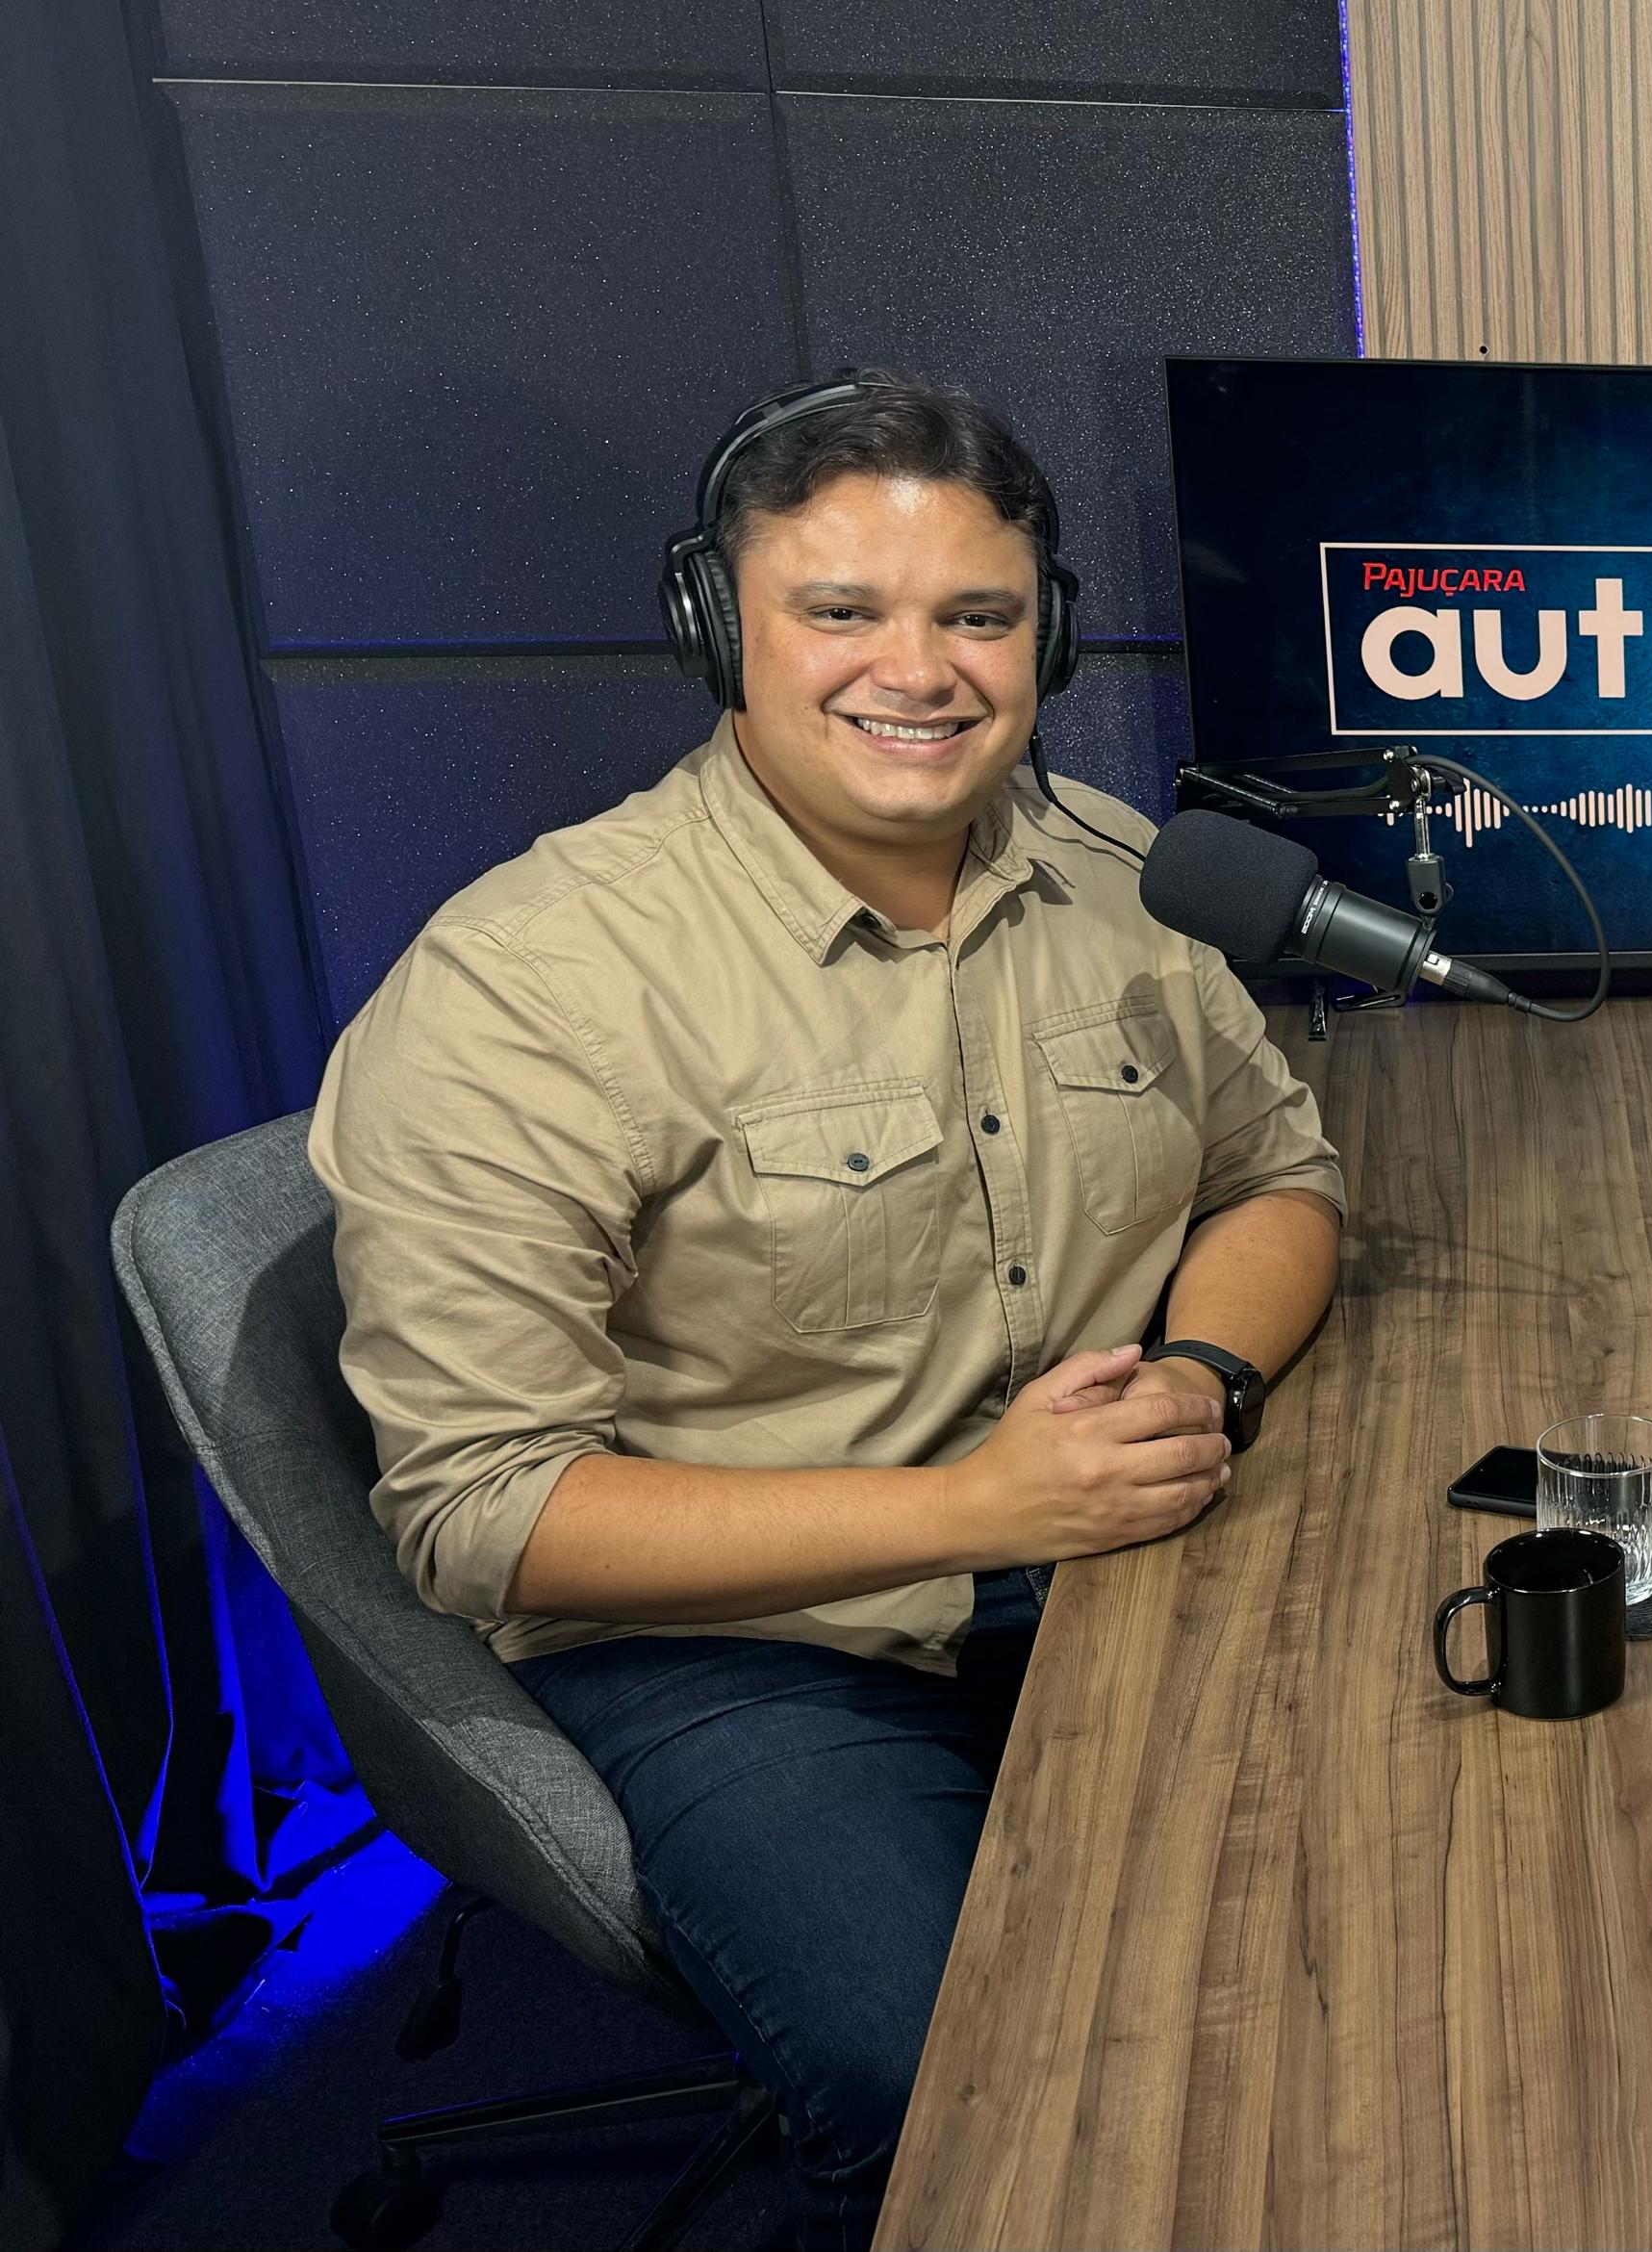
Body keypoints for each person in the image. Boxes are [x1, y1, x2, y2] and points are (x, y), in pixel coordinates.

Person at [311, 371, 1346, 2245]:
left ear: (1047, 638)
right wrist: (973, 1506)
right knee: (949, 2076)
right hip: (747, 1643)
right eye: (842, 610)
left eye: (978, 615)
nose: (920, 671)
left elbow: (1276, 1176)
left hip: (1104, 1550)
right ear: (717, 627)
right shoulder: (526, 985)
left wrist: (1204, 1373)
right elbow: (481, 1511)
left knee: (1384, 1916)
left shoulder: (1120, 874)